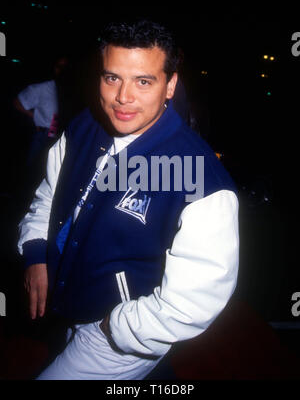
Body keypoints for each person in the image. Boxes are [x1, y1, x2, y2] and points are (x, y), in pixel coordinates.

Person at [17, 19, 239, 380]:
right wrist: (37, 253)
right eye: (112, 78)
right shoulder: (85, 125)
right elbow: (49, 195)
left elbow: (193, 303)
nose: (123, 97)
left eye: (143, 81)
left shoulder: (197, 176)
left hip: (118, 341)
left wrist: (112, 328)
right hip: (68, 305)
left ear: (170, 86)